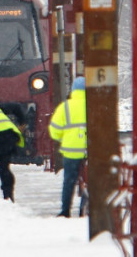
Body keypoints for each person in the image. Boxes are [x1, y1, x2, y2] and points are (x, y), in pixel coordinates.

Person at [49, 76, 87, 218]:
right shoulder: (93, 104)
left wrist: (63, 137)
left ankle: (65, 210)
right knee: (88, 180)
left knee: (69, 181)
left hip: (71, 151)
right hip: (89, 150)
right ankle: (84, 208)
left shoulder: (65, 107)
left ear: (73, 90)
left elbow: (54, 130)